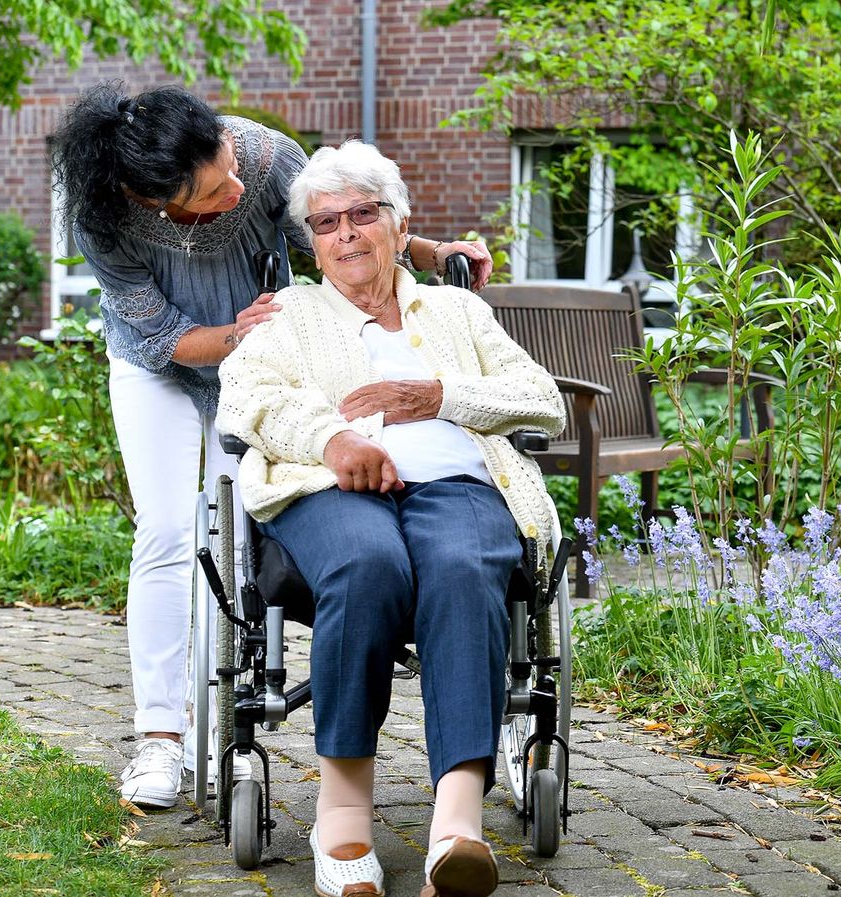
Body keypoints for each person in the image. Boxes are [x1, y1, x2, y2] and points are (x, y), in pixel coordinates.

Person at [50, 82, 495, 811]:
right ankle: (160, 737)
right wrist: (235, 332)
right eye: (212, 190)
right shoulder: (106, 217)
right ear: (152, 197)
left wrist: (429, 247)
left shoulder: (260, 153)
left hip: (266, 360)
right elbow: (163, 336)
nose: (235, 186)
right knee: (165, 528)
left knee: (250, 519)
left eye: (227, 165)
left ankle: (230, 704)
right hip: (161, 360)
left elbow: (338, 222)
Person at [215, 140, 564, 897]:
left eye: (362, 214)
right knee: (367, 565)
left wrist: (438, 396)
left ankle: (456, 826)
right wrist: (332, 438)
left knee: (465, 566)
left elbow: (541, 399)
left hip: (456, 485)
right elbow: (245, 400)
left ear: (399, 227)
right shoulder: (290, 315)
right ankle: (341, 810)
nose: (345, 233)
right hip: (328, 487)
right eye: (326, 222)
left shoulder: (455, 310)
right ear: (310, 244)